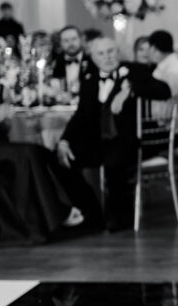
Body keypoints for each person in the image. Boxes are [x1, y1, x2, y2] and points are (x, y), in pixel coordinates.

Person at [0, 47, 95, 246]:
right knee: (29, 152)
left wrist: (6, 120)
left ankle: (55, 214)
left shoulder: (2, 89)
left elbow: (5, 129)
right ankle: (59, 211)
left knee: (38, 152)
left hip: (0, 145)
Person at [57, 37, 167, 231]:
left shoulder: (134, 71)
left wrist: (130, 90)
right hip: (97, 142)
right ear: (93, 58)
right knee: (63, 161)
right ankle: (91, 211)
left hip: (125, 140)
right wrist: (64, 140)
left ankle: (118, 217)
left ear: (118, 53)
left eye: (111, 51)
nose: (107, 57)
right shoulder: (89, 80)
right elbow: (80, 116)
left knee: (114, 163)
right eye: (101, 53)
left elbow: (164, 91)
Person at [147, 30, 178, 105]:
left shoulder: (171, 71)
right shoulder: (173, 65)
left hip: (167, 115)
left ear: (153, 48)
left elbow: (164, 104)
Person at [51, 25, 86, 95]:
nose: (70, 44)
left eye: (74, 39)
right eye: (66, 40)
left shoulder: (92, 60)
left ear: (81, 40)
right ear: (60, 43)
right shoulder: (56, 63)